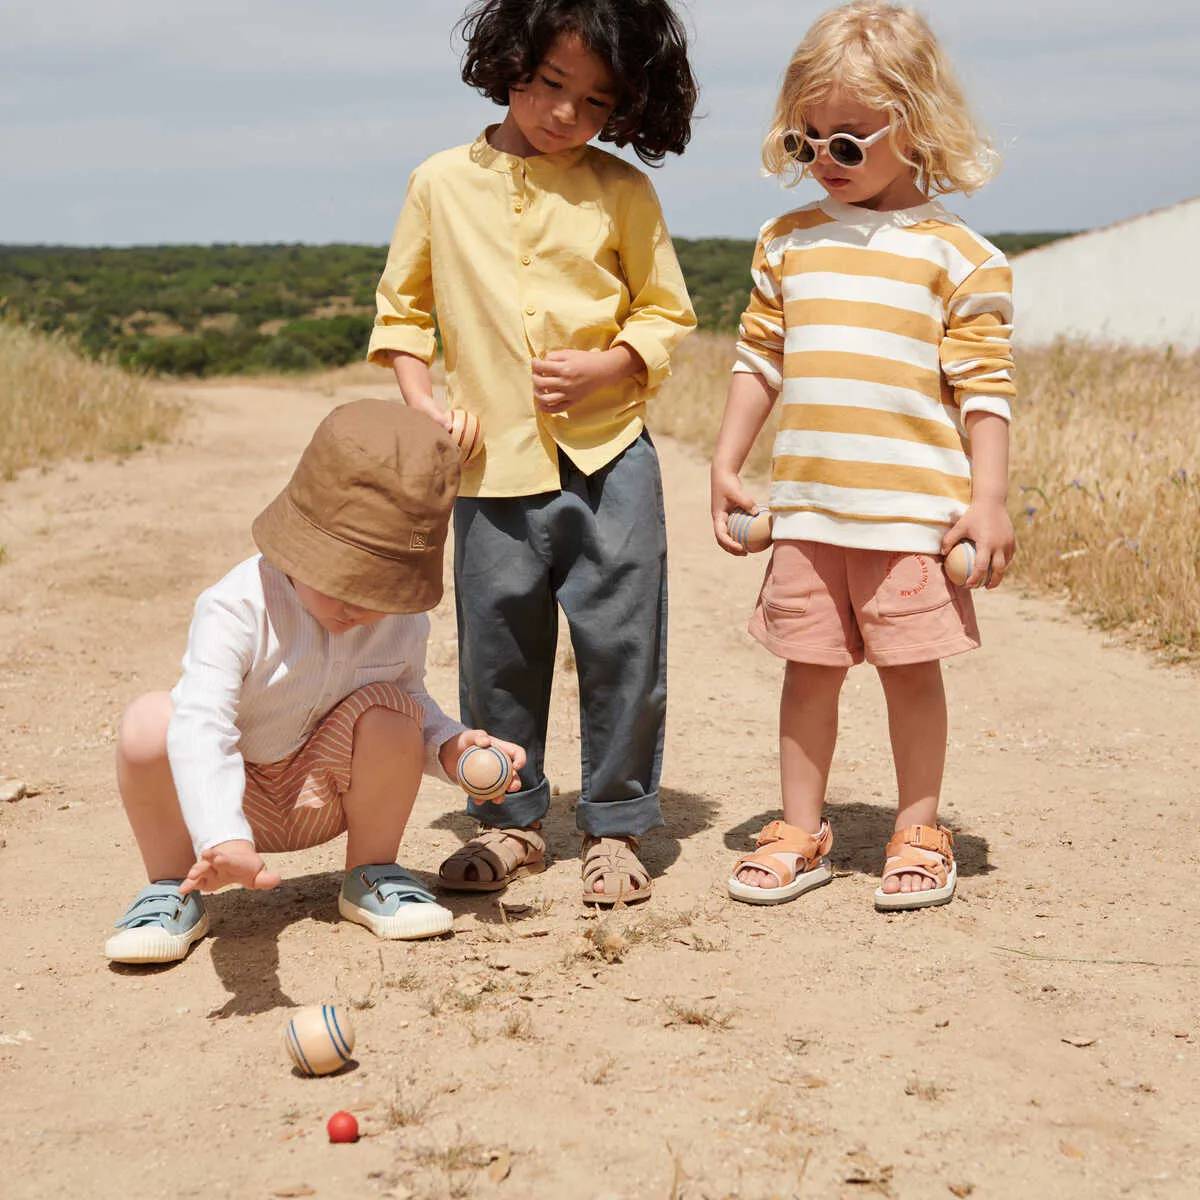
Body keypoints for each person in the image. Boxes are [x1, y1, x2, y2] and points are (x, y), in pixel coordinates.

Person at [368, 0, 698, 905]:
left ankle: (617, 826)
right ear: (509, 60)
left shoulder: (623, 191)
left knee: (623, 647)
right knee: (497, 653)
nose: (566, 114)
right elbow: (402, 316)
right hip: (487, 467)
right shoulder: (439, 182)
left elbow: (666, 310)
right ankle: (511, 825)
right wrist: (425, 405)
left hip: (611, 457)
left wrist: (612, 364)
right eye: (552, 84)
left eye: (596, 102)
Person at [710, 1, 1015, 911]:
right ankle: (800, 828)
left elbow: (985, 392)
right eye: (806, 144)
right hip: (809, 513)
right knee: (809, 673)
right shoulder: (788, 243)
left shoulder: (961, 258)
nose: (823, 164)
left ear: (915, 126)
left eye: (847, 143)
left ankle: (919, 827)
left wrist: (988, 500)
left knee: (911, 677)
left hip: (913, 519)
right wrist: (728, 461)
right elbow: (756, 357)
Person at [104, 399, 525, 964]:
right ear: (298, 547)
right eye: (342, 582)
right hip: (228, 797)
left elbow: (414, 700)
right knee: (150, 723)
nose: (357, 607)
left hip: (323, 791)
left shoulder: (400, 621)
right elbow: (203, 723)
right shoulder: (236, 606)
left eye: (379, 591)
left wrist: (451, 748)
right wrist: (222, 833)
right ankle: (171, 889)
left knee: (395, 711)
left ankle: (372, 873)